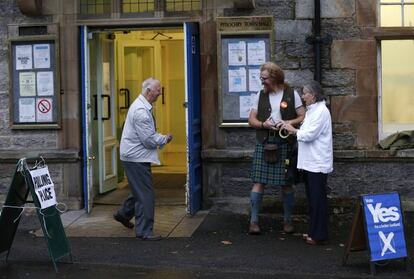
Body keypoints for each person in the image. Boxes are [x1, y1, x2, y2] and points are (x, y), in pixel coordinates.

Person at [248, 62, 305, 235]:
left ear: (274, 77)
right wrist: (263, 124)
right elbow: (251, 120)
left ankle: (288, 221)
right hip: (264, 143)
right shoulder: (259, 95)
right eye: (261, 78)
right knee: (258, 182)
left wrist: (288, 123)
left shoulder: (291, 94)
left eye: (264, 78)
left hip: (285, 144)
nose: (262, 81)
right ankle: (254, 221)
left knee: (287, 184)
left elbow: (303, 115)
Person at [113, 77, 173, 241]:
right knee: (146, 194)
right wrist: (164, 139)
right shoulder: (141, 111)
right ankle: (145, 231)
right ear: (148, 91)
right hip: (136, 158)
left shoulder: (142, 106)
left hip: (132, 156)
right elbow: (148, 139)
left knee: (140, 190)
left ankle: (123, 214)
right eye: (158, 90)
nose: (160, 92)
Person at [283, 80, 333, 245]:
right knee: (313, 200)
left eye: (305, 93)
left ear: (313, 95)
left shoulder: (321, 112)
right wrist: (292, 126)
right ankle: (313, 232)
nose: (303, 96)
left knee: (318, 200)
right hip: (310, 162)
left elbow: (309, 135)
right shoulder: (313, 111)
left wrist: (292, 130)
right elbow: (306, 131)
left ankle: (319, 235)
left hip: (317, 163)